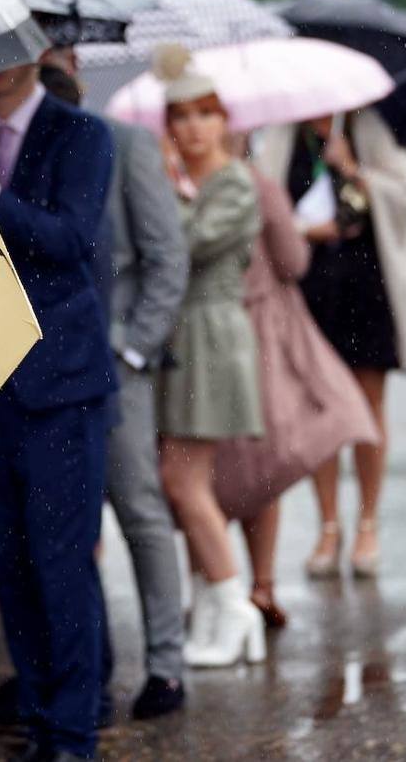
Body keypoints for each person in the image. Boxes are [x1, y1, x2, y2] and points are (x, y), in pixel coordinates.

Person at [0, 61, 116, 762]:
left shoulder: (80, 133)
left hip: (63, 384)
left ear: (32, 53)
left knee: (61, 565)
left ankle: (72, 734)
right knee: (12, 564)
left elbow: (69, 240)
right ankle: (36, 718)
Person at [39, 54, 190, 719]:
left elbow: (166, 257)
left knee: (138, 510)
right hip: (44, 370)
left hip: (117, 367)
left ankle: (166, 666)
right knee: (64, 527)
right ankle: (83, 673)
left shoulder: (124, 144)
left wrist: (132, 349)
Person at [215, 165, 380, 627]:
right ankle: (260, 583)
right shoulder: (258, 184)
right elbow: (293, 262)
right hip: (256, 332)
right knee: (260, 455)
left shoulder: (183, 184)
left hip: (203, 330)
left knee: (214, 459)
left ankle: (215, 583)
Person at [151, 45, 265, 669]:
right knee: (184, 483)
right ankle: (214, 604)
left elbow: (185, 243)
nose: (193, 129)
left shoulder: (235, 183)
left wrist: (169, 186)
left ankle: (235, 606)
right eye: (180, 118)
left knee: (184, 481)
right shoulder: (204, 182)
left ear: (223, 119)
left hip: (212, 336)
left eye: (204, 114)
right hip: (185, 336)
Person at [287, 109, 406, 579]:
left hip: (367, 287)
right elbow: (267, 207)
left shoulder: (368, 128)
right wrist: (307, 230)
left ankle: (368, 522)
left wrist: (353, 170)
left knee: (369, 408)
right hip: (312, 290)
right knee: (320, 411)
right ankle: (329, 525)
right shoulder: (284, 140)